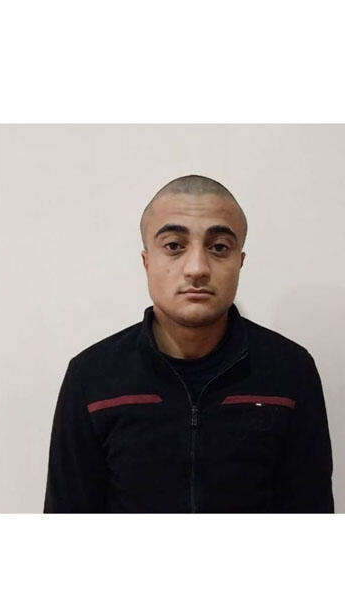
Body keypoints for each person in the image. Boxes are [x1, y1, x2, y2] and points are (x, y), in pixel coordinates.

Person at [44, 175, 334, 512]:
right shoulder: (92, 377)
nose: (197, 268)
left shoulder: (289, 371)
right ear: (146, 261)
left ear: (240, 262)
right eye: (173, 246)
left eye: (219, 247)